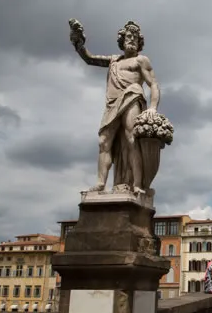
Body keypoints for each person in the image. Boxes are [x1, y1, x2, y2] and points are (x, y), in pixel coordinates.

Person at [68, 19, 161, 194]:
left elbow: (154, 84)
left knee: (131, 139)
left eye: (135, 37)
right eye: (128, 36)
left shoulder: (141, 60)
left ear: (139, 43)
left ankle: (137, 185)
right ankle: (101, 183)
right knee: (104, 141)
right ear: (122, 40)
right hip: (112, 104)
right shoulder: (113, 61)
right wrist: (78, 42)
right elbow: (89, 59)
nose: (131, 39)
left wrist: (153, 107)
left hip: (132, 96)